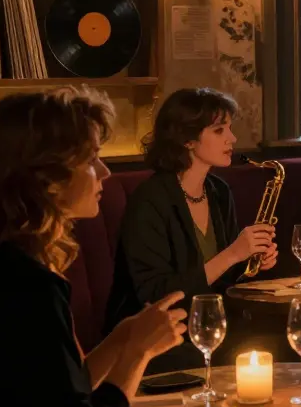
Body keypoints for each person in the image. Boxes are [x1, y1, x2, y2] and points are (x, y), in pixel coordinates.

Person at [0, 88, 230, 407]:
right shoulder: (26, 288)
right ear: (45, 176)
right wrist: (136, 355)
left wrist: (120, 339)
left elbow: (61, 395)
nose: (103, 172)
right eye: (89, 159)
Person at [105, 88, 278, 372]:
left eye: (229, 129)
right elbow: (156, 295)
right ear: (187, 139)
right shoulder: (150, 200)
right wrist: (233, 254)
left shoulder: (218, 191)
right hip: (159, 335)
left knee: (273, 342)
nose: (232, 139)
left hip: (211, 323)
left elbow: (224, 277)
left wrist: (252, 262)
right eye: (219, 130)